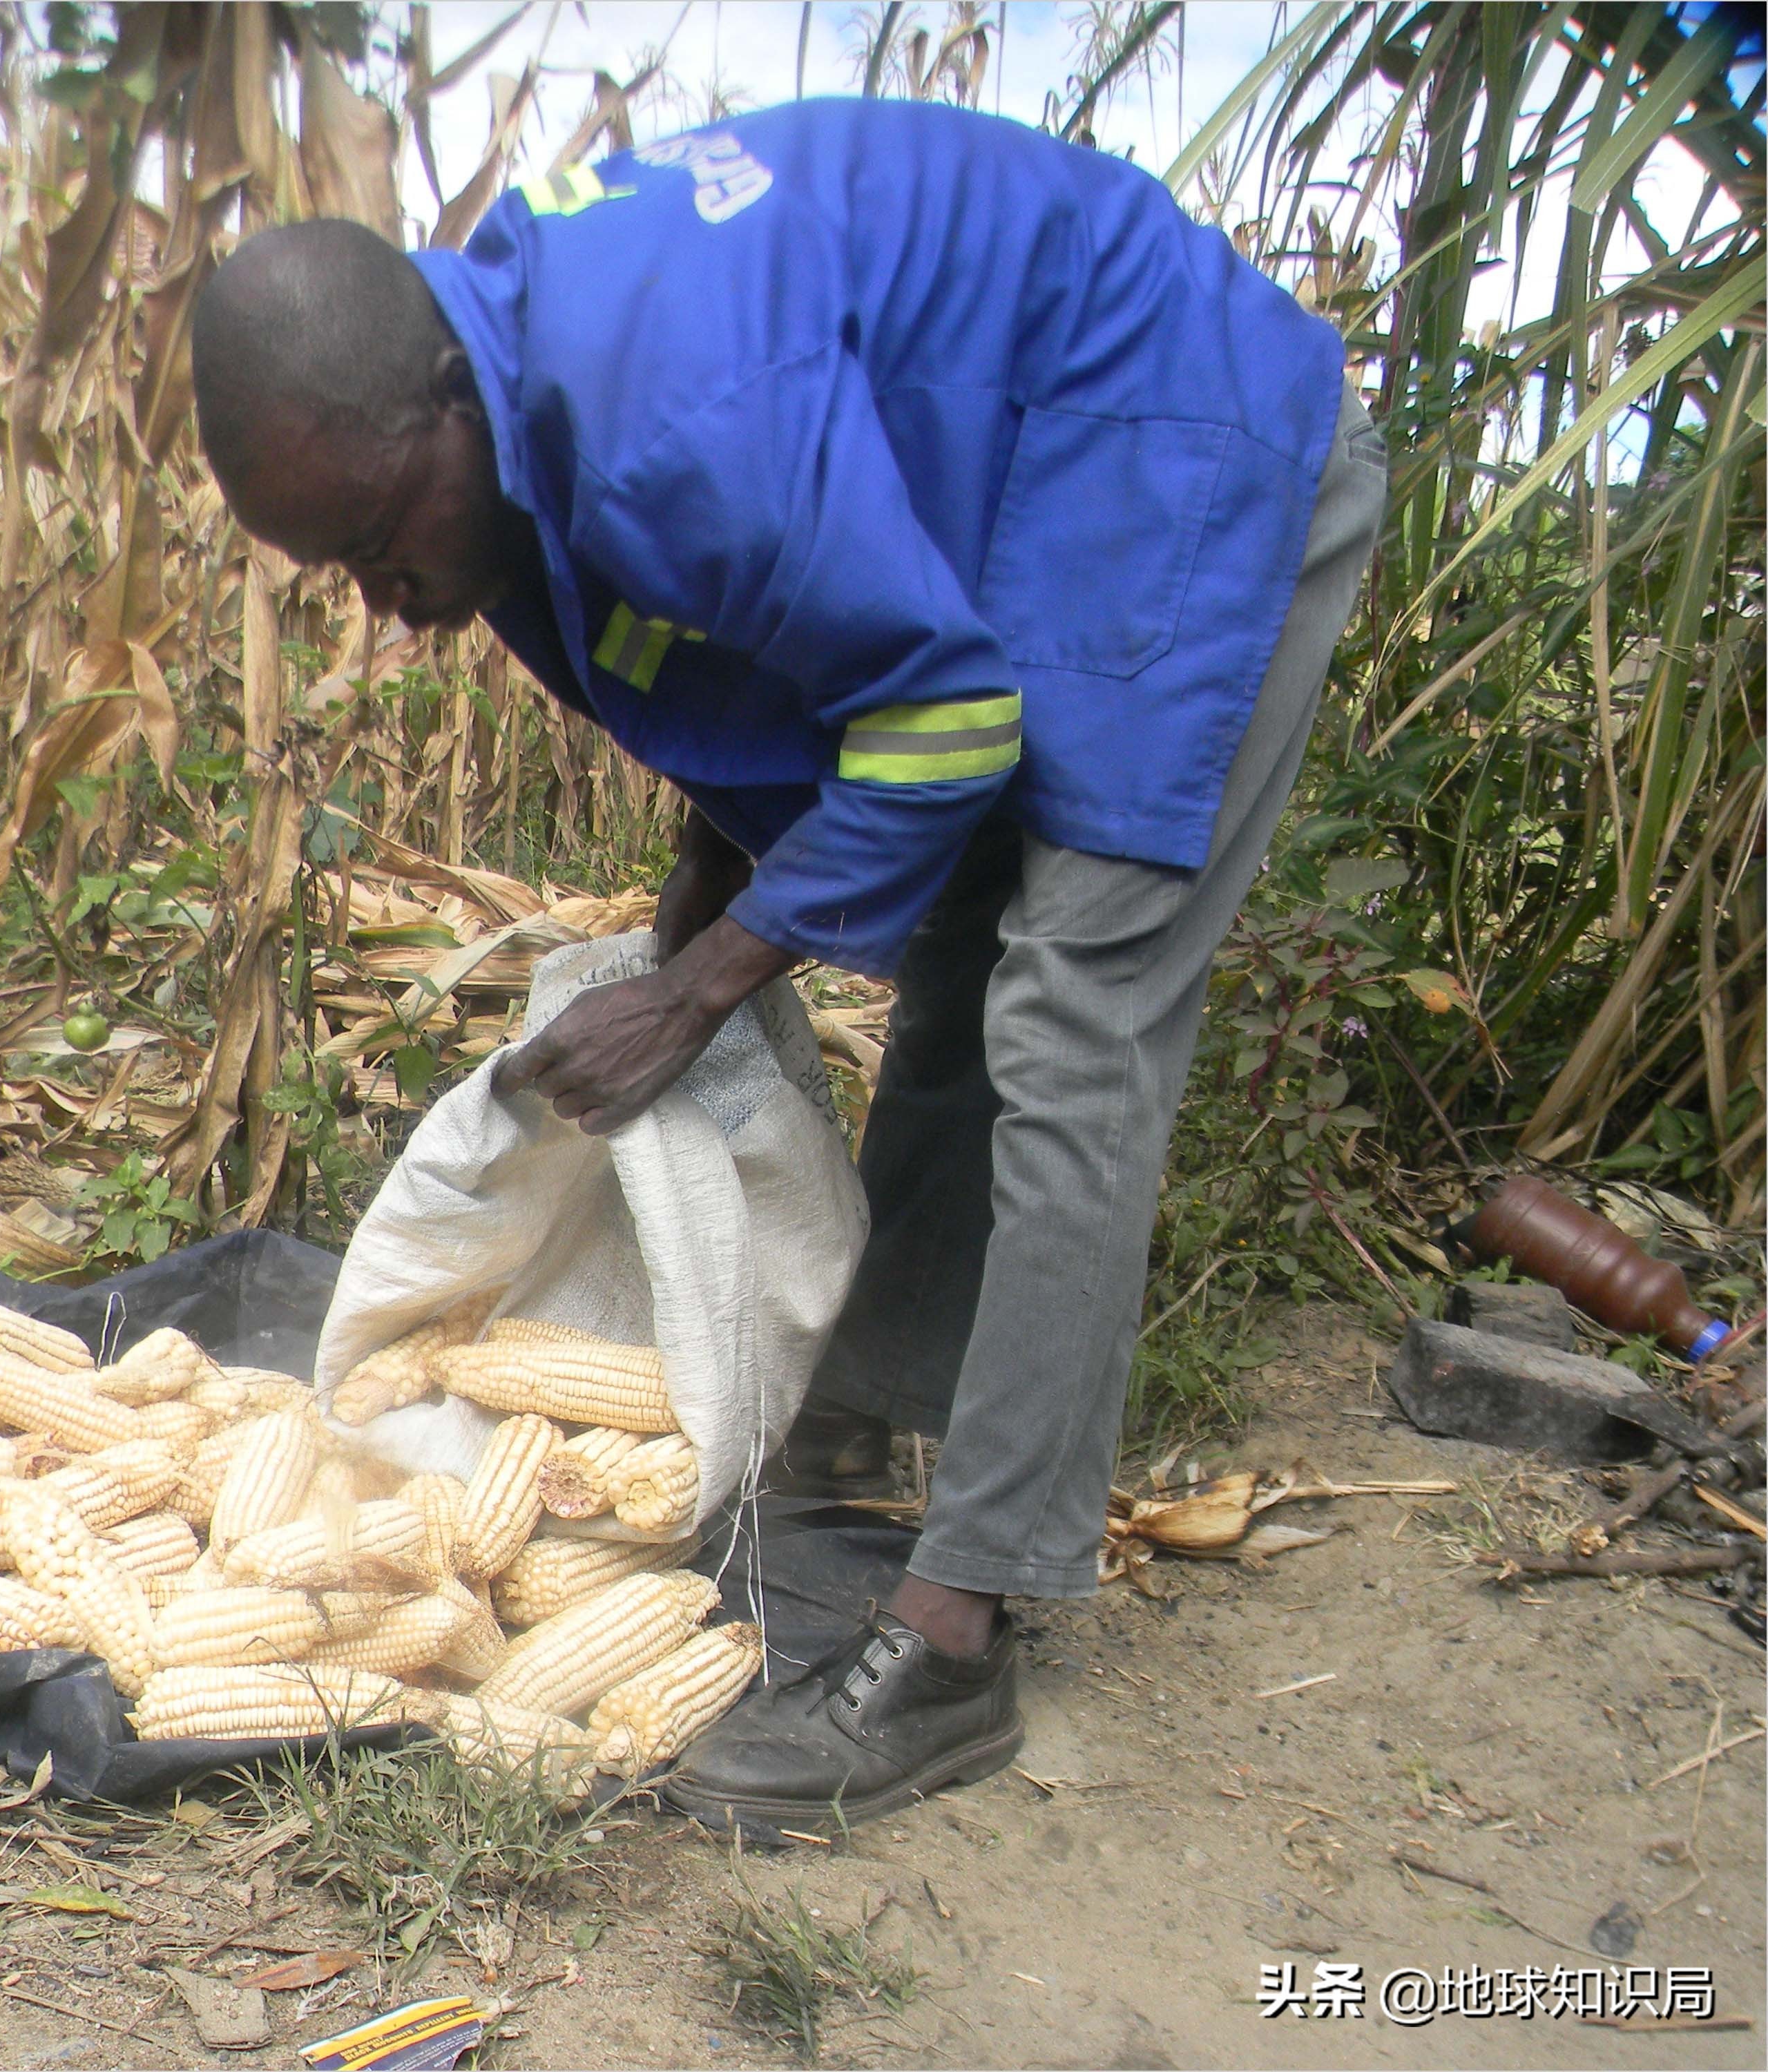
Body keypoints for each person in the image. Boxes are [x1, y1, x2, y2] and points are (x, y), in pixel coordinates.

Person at [189, 97, 1385, 1829]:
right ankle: (855, 1442)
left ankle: (963, 1628)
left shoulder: (671, 417)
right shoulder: (518, 406)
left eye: (386, 537)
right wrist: (704, 906)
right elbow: (752, 670)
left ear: (447, 399)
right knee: (971, 963)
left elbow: (935, 710)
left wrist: (697, 991)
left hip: (1169, 445)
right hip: (1010, 469)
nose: (387, 595)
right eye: (344, 570)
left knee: (1072, 1006)